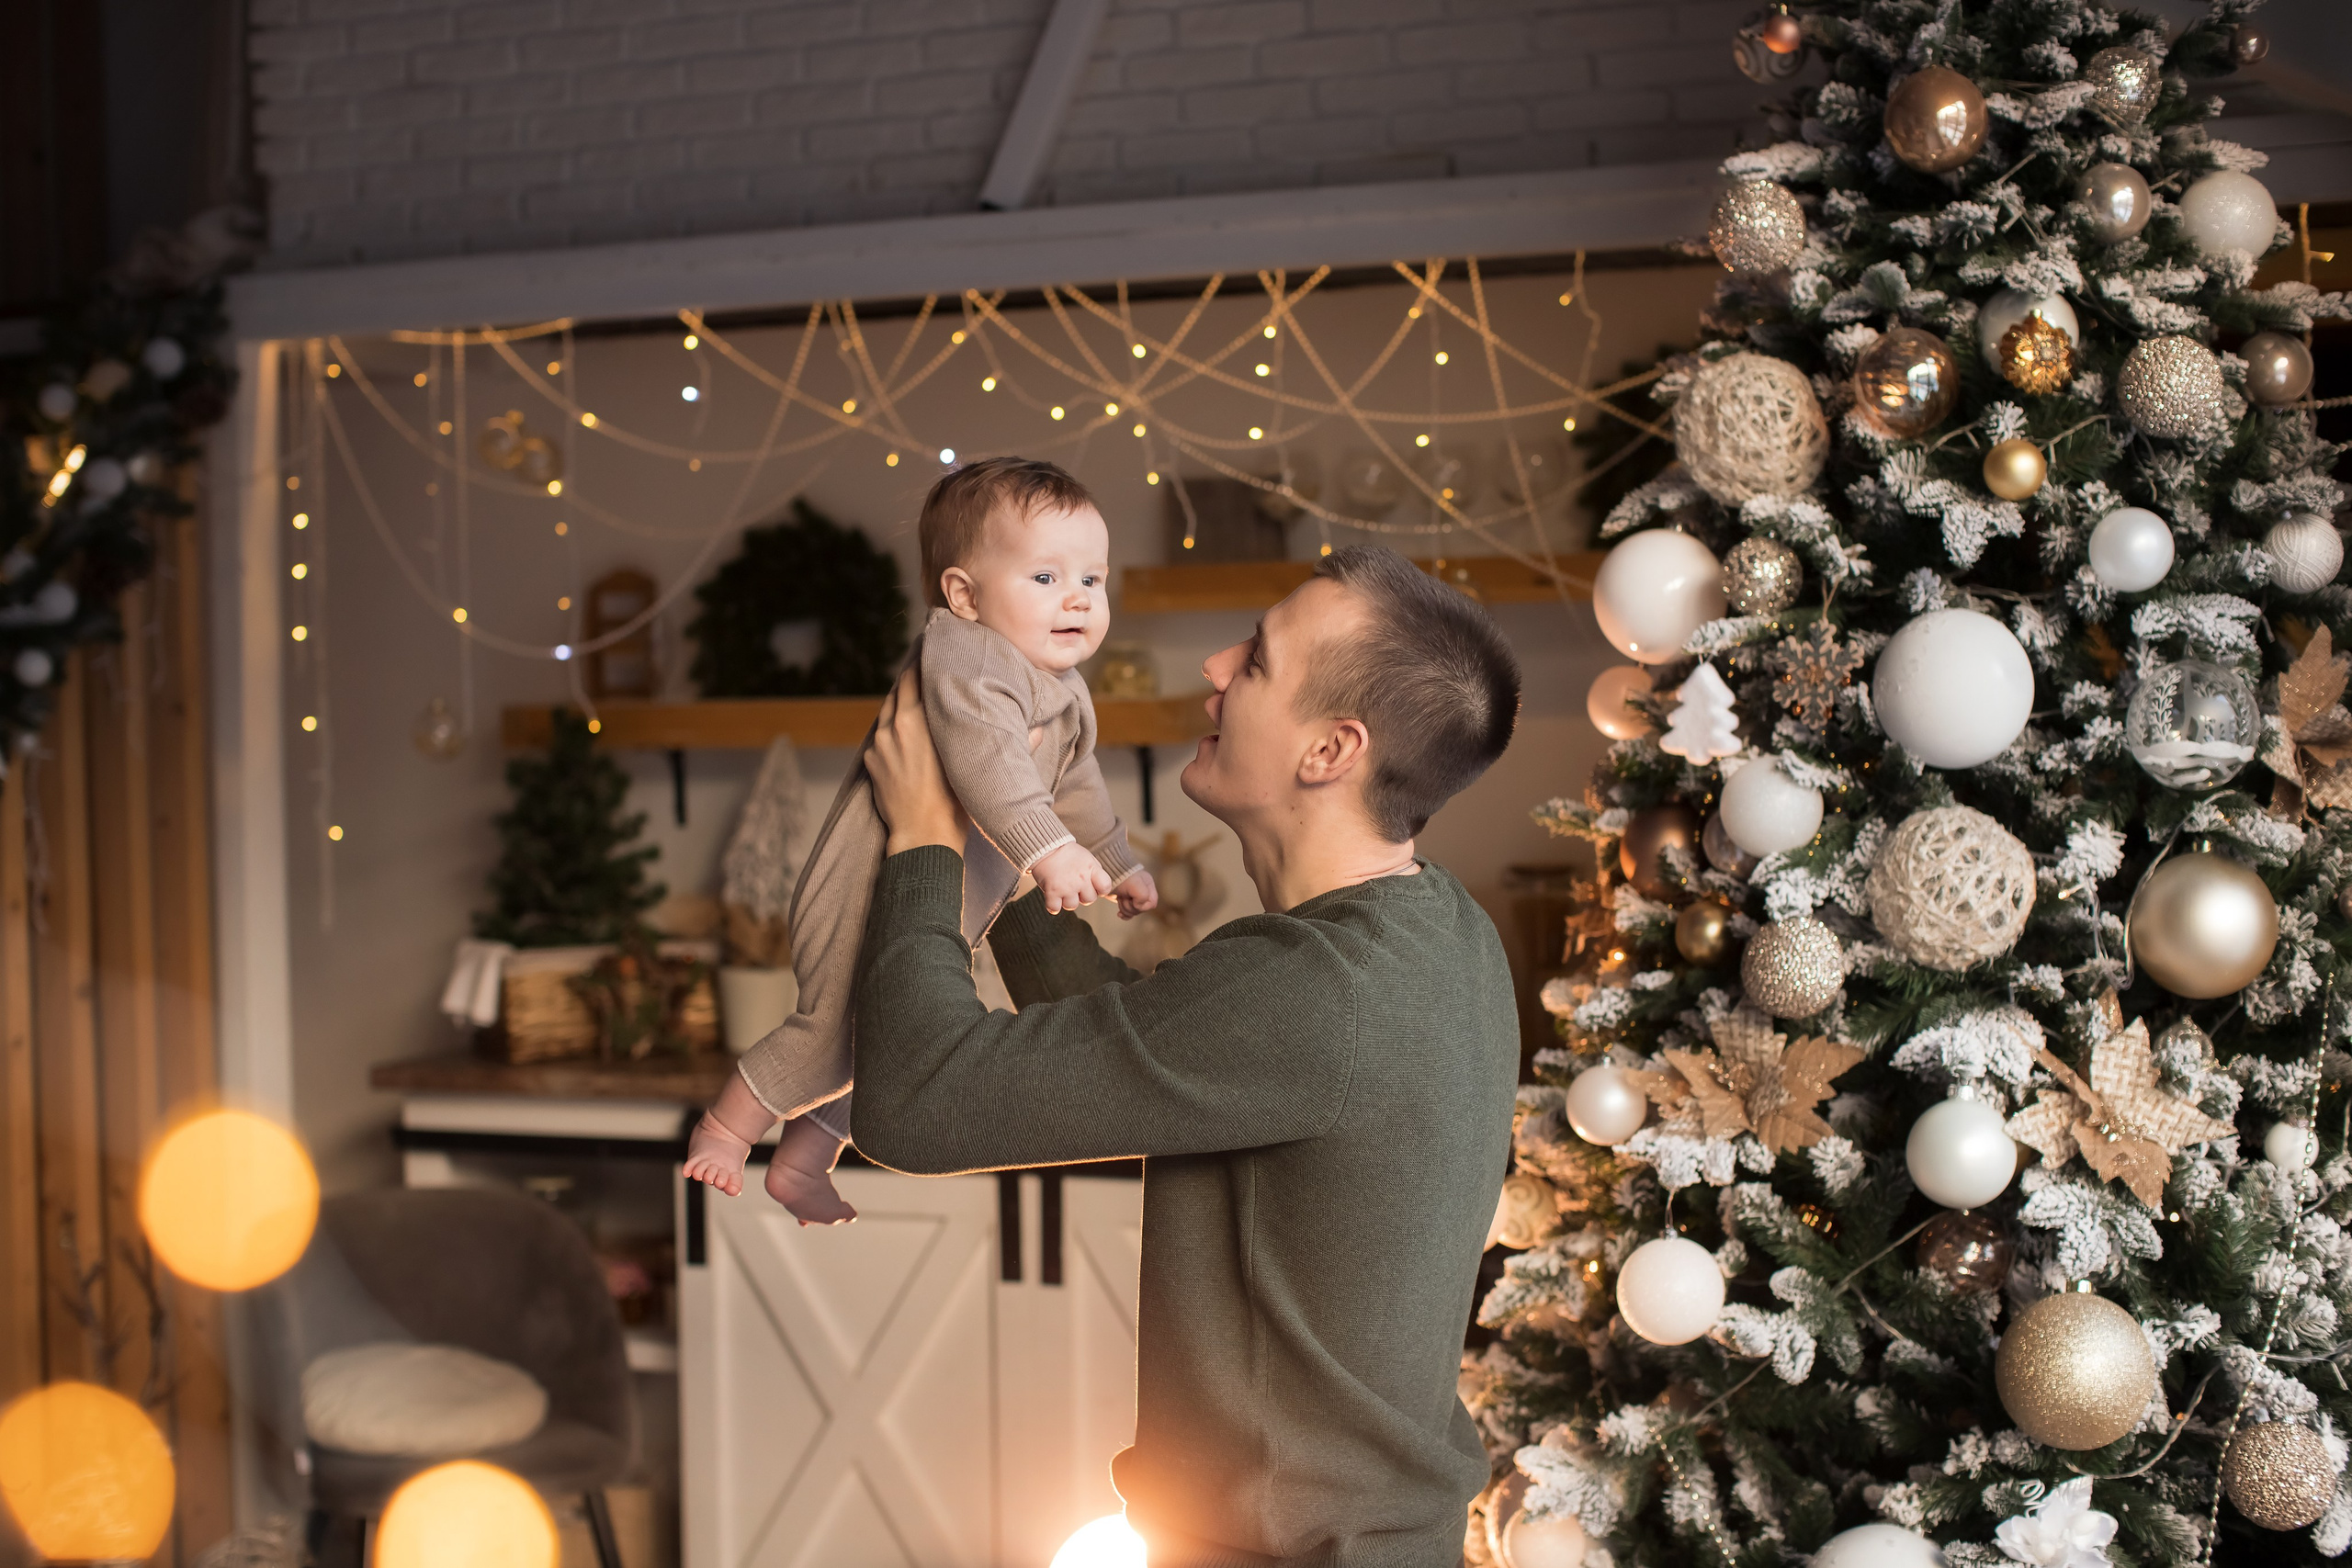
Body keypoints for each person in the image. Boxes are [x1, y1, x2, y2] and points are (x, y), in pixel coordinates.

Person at [854, 545, 1523, 1567]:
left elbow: (912, 1100)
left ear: (1329, 751)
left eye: (1255, 661)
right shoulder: (1432, 930)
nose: (1214, 667)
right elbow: (1162, 1051)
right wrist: (1010, 836)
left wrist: (920, 843)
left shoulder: (1316, 989)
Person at [683, 458, 1158, 1223]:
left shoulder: (1064, 687)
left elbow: (1078, 783)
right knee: (828, 1030)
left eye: (1092, 580)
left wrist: (1112, 857)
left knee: (885, 1031)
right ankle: (727, 1132)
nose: (1077, 597)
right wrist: (1049, 852)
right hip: (864, 883)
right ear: (963, 595)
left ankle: (803, 1159)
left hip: (936, 893)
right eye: (1045, 577)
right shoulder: (965, 655)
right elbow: (987, 760)